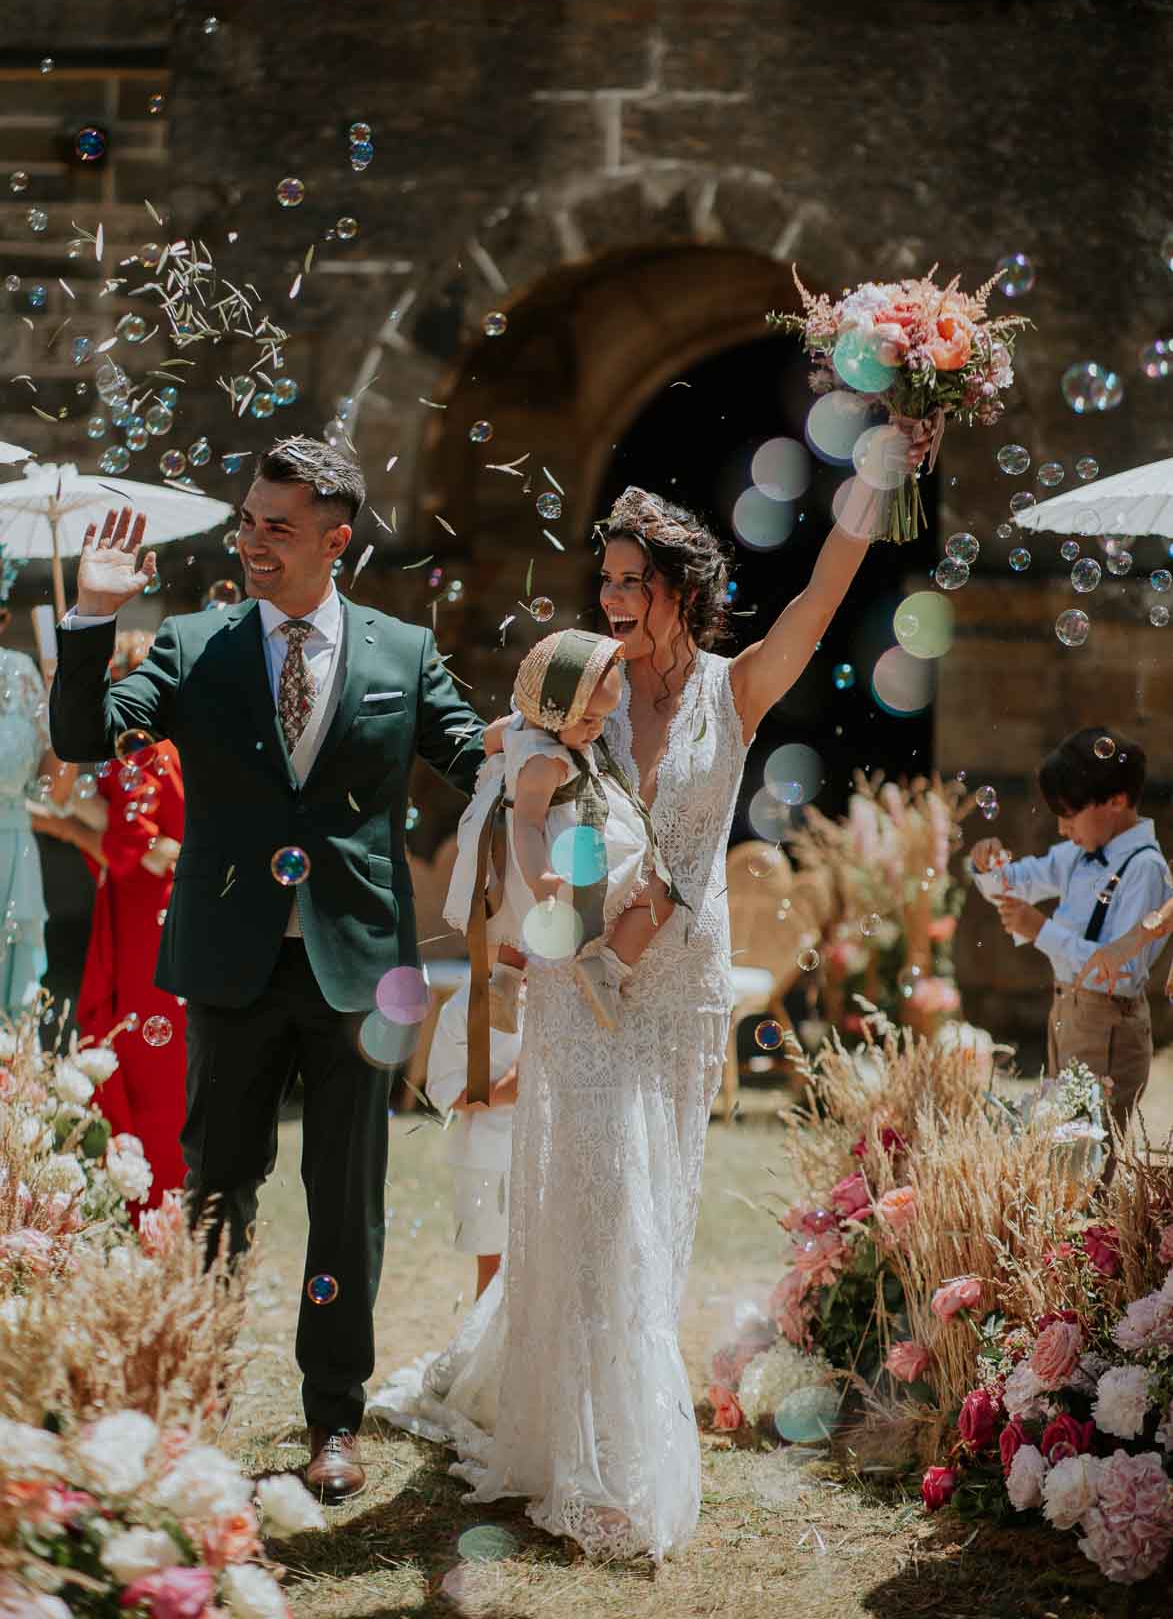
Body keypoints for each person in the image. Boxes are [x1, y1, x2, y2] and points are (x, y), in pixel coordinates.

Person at [373, 466, 915, 1561]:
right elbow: (509, 769)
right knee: (596, 1198)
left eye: (635, 582)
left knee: (647, 1200)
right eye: (607, 578)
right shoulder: (583, 681)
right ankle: (601, 1454)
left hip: (679, 988)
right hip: (579, 985)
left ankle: (597, 1412)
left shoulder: (740, 686)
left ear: (684, 588)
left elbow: (819, 592)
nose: (614, 599)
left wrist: (881, 470)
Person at [49, 436, 489, 1505]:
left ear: (336, 540)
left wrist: (560, 750)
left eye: (275, 525)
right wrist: (94, 614)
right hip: (230, 961)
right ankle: (189, 1403)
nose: (249, 540)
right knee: (217, 1189)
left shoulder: (401, 649)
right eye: (246, 519)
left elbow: (479, 756)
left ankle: (332, 1419)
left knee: (347, 1206)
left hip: (362, 971)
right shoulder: (197, 644)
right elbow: (83, 736)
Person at [444, 628, 678, 1034]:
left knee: (513, 923)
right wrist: (540, 882)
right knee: (656, 893)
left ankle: (504, 980)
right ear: (553, 714)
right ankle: (605, 969)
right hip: (555, 852)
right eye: (587, 719)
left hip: (523, 851)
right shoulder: (545, 763)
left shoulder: (520, 725)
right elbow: (529, 823)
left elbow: (487, 739)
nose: (597, 730)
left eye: (603, 718)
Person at [33, 629, 187, 1210]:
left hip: (149, 918)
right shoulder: (156, 748)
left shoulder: (144, 750)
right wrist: (61, 693)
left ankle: (156, 1194)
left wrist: (71, 826)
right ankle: (161, 1192)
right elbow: (65, 793)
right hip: (148, 911)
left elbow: (134, 847)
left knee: (144, 1051)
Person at [970, 726, 1171, 1137]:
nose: (1062, 829)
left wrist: (1040, 930)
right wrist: (987, 866)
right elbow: (1018, 881)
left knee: (1091, 1145)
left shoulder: (1145, 868)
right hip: (1067, 1015)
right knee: (1063, 1137)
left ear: (1116, 802)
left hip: (1110, 1026)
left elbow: (1122, 972)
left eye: (1069, 815)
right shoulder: (1077, 854)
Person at [425, 978, 521, 1300]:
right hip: (487, 1157)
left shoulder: (558, 995)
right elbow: (443, 1088)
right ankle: (492, 1347)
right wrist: (503, 1092)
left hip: (553, 1150)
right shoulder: (463, 1006)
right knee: (494, 1265)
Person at [0, 546, 54, 1017]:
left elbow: (56, 792)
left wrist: (62, 696)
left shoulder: (21, 674)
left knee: (15, 1003)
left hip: (14, 852)